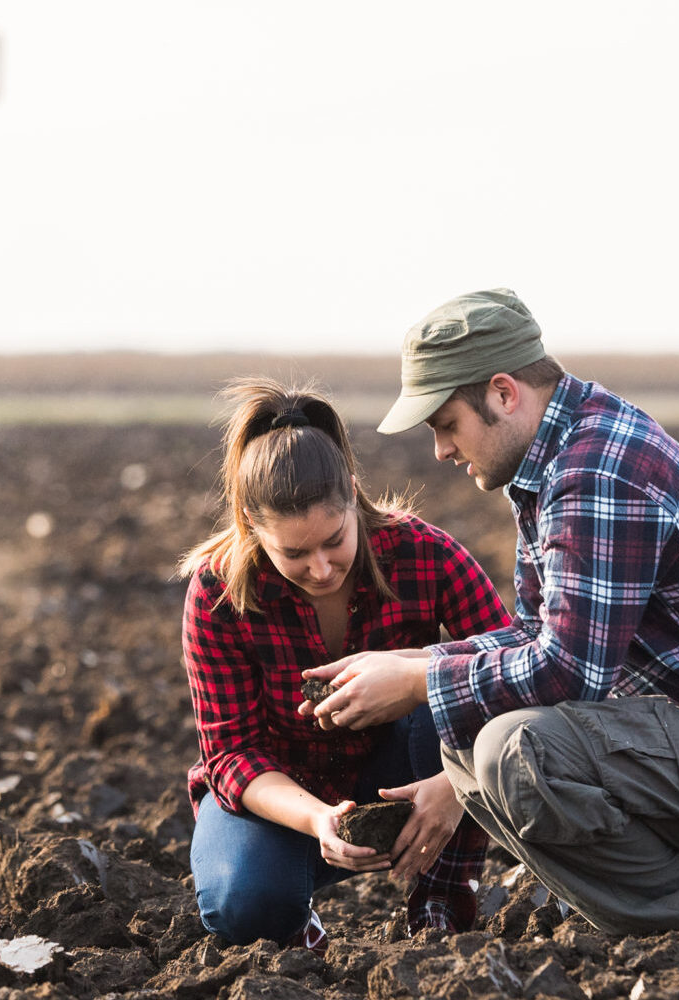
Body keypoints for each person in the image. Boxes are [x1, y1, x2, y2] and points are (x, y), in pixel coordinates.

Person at [307, 288, 679, 944]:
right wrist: (414, 662)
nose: (440, 450)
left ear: (503, 393)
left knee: (514, 748)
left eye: (446, 424)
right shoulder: (554, 461)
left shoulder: (598, 472)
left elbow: (567, 672)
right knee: (473, 733)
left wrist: (417, 683)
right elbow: (538, 634)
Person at [180, 378, 512, 947]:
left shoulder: (424, 554)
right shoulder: (217, 593)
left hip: (404, 770)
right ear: (250, 525)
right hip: (283, 792)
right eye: (294, 553)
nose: (322, 568)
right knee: (243, 904)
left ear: (354, 496)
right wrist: (317, 820)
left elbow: (515, 666)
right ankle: (294, 921)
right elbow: (230, 753)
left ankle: (440, 901)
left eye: (334, 539)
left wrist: (456, 786)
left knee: (454, 688)